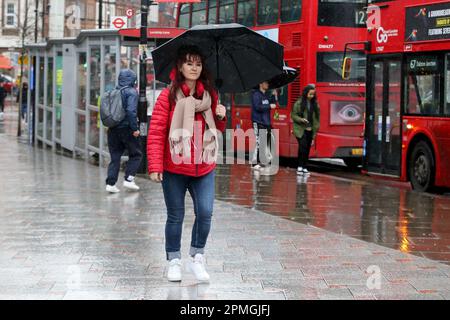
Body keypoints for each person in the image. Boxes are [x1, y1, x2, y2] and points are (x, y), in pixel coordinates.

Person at [147, 45, 227, 282]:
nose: (194, 68)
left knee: (205, 212)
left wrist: (221, 116)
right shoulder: (168, 95)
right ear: (180, 66)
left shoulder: (210, 96)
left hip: (203, 165)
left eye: (198, 64)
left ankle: (197, 257)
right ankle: (174, 260)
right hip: (174, 165)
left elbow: (216, 131)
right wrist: (154, 166)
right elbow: (157, 131)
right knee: (175, 215)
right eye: (189, 63)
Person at [105, 69, 142, 193]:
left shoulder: (113, 91)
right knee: (136, 154)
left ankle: (110, 184)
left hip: (113, 129)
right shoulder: (131, 92)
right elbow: (131, 112)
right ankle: (129, 179)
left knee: (115, 157)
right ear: (132, 79)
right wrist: (135, 128)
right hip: (127, 129)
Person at [291, 84, 320, 176]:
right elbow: (293, 115)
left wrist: (315, 132)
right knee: (302, 147)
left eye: (313, 94)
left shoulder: (315, 104)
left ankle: (305, 167)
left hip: (310, 129)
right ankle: (300, 166)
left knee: (307, 148)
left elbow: (317, 119)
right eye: (310, 94)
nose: (311, 96)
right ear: (305, 93)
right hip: (300, 129)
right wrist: (301, 119)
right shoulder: (299, 103)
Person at [251, 81, 277, 170]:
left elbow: (271, 104)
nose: (268, 84)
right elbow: (257, 107)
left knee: (263, 143)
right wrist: (269, 106)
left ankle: (260, 161)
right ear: (260, 84)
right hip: (258, 121)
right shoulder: (256, 95)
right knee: (258, 142)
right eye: (266, 83)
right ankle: (254, 163)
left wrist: (273, 95)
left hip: (266, 122)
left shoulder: (265, 95)